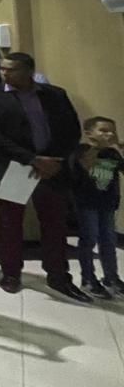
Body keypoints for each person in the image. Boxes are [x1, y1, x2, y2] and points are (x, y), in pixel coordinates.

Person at [0, 52, 89, 302]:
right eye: (3, 69)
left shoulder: (55, 94)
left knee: (54, 222)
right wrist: (32, 159)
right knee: (10, 222)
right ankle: (11, 273)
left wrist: (53, 159)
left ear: (29, 71)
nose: (5, 73)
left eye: (12, 69)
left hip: (52, 166)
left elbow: (71, 129)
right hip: (15, 166)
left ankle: (58, 274)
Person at [70, 117, 121, 298]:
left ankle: (111, 277)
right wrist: (98, 148)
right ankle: (88, 278)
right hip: (87, 203)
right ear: (89, 133)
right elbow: (86, 166)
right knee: (89, 238)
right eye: (103, 131)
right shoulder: (82, 150)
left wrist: (118, 148)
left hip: (108, 203)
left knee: (109, 240)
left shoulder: (112, 153)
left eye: (112, 131)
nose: (109, 134)